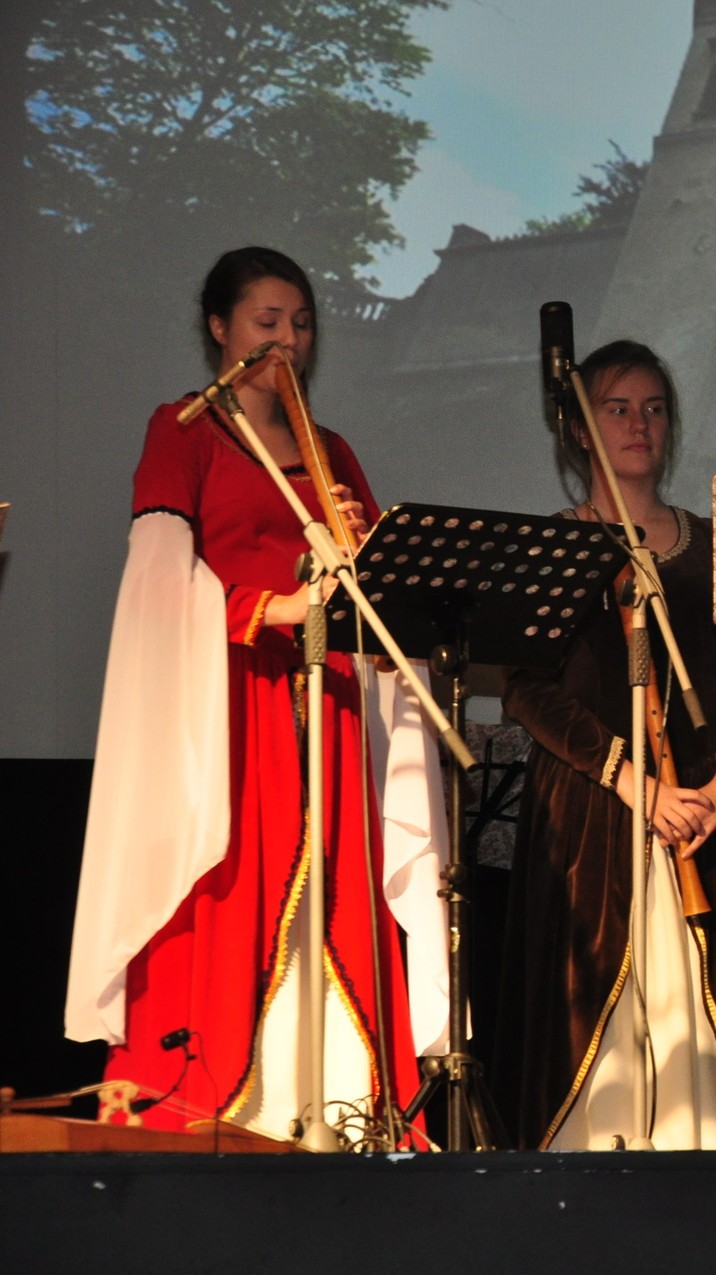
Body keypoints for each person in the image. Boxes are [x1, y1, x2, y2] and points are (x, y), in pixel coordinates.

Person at [65, 247, 448, 1143]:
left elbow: (380, 586)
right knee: (237, 884)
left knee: (339, 891)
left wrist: (362, 551)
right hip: (231, 700)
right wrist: (270, 607)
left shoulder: (330, 448)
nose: (287, 340)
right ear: (219, 328)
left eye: (301, 324)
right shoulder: (185, 429)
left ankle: (348, 1106)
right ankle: (231, 1098)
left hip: (329, 702)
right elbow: (159, 578)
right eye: (266, 322)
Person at [494, 340, 716, 1150]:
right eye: (618, 408)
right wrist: (634, 782)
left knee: (704, 1023)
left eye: (655, 408)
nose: (640, 423)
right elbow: (526, 687)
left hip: (708, 815)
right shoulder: (556, 546)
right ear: (578, 428)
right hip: (595, 812)